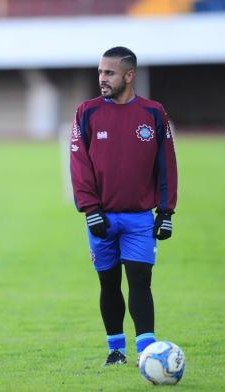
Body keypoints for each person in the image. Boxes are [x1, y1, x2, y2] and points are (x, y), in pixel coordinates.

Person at [69, 46, 177, 366]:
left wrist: (166, 211)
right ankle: (116, 350)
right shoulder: (86, 112)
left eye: (109, 72)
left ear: (129, 75)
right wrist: (90, 209)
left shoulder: (154, 113)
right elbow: (79, 164)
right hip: (101, 216)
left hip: (140, 219)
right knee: (109, 283)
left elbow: (166, 165)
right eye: (100, 72)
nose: (102, 78)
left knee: (141, 281)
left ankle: (148, 352)